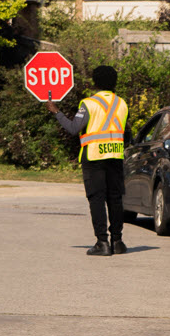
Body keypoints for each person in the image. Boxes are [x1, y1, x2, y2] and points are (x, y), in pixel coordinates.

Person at [48, 65, 128, 256]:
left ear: (95, 82)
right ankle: (117, 241)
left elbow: (74, 128)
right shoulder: (122, 103)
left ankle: (102, 242)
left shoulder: (89, 104)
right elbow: (127, 132)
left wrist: (56, 112)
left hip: (93, 158)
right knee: (115, 199)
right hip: (115, 156)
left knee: (97, 199)